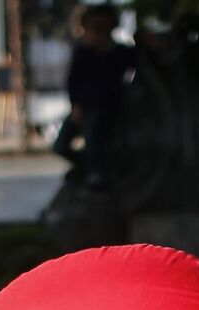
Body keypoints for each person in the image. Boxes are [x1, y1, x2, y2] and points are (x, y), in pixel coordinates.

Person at [57, 4, 134, 188]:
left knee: (93, 130)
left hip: (105, 108)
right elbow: (73, 82)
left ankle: (97, 172)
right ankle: (89, 165)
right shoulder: (83, 52)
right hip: (82, 107)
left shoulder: (119, 53)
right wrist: (75, 105)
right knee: (60, 145)